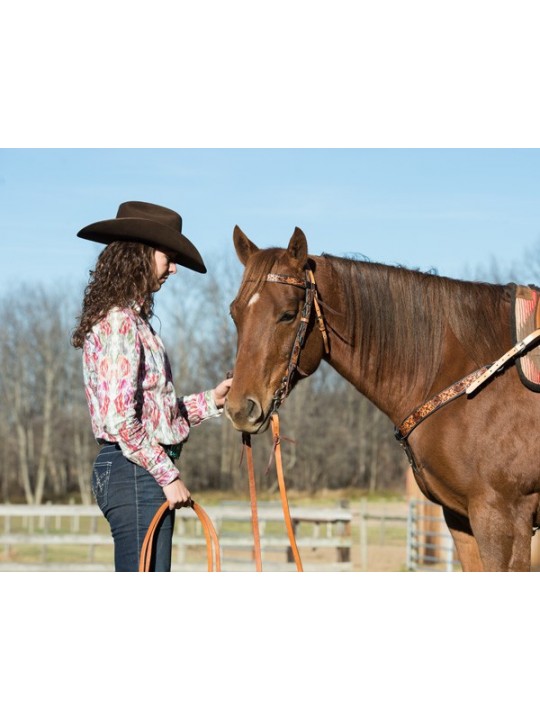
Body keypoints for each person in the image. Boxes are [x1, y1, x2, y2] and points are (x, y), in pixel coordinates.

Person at [71, 200, 232, 572]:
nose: (174, 268)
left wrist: (213, 400)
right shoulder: (119, 323)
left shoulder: (133, 321)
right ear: (141, 254)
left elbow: (153, 414)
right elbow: (121, 422)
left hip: (137, 468)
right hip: (133, 469)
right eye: (168, 257)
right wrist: (168, 474)